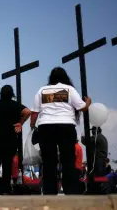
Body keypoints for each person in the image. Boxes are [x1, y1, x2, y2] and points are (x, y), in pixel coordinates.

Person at [30, 67, 91, 195]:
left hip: (46, 127)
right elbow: (82, 108)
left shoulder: (42, 90)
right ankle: (70, 191)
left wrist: (32, 125)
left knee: (48, 162)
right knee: (68, 160)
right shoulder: (69, 89)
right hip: (66, 127)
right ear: (65, 77)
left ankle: (50, 192)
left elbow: (35, 112)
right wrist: (88, 103)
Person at [0, 85, 31, 195]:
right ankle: (6, 188)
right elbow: (27, 112)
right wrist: (20, 123)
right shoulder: (15, 105)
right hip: (10, 139)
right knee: (7, 164)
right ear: (12, 94)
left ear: (1, 93)